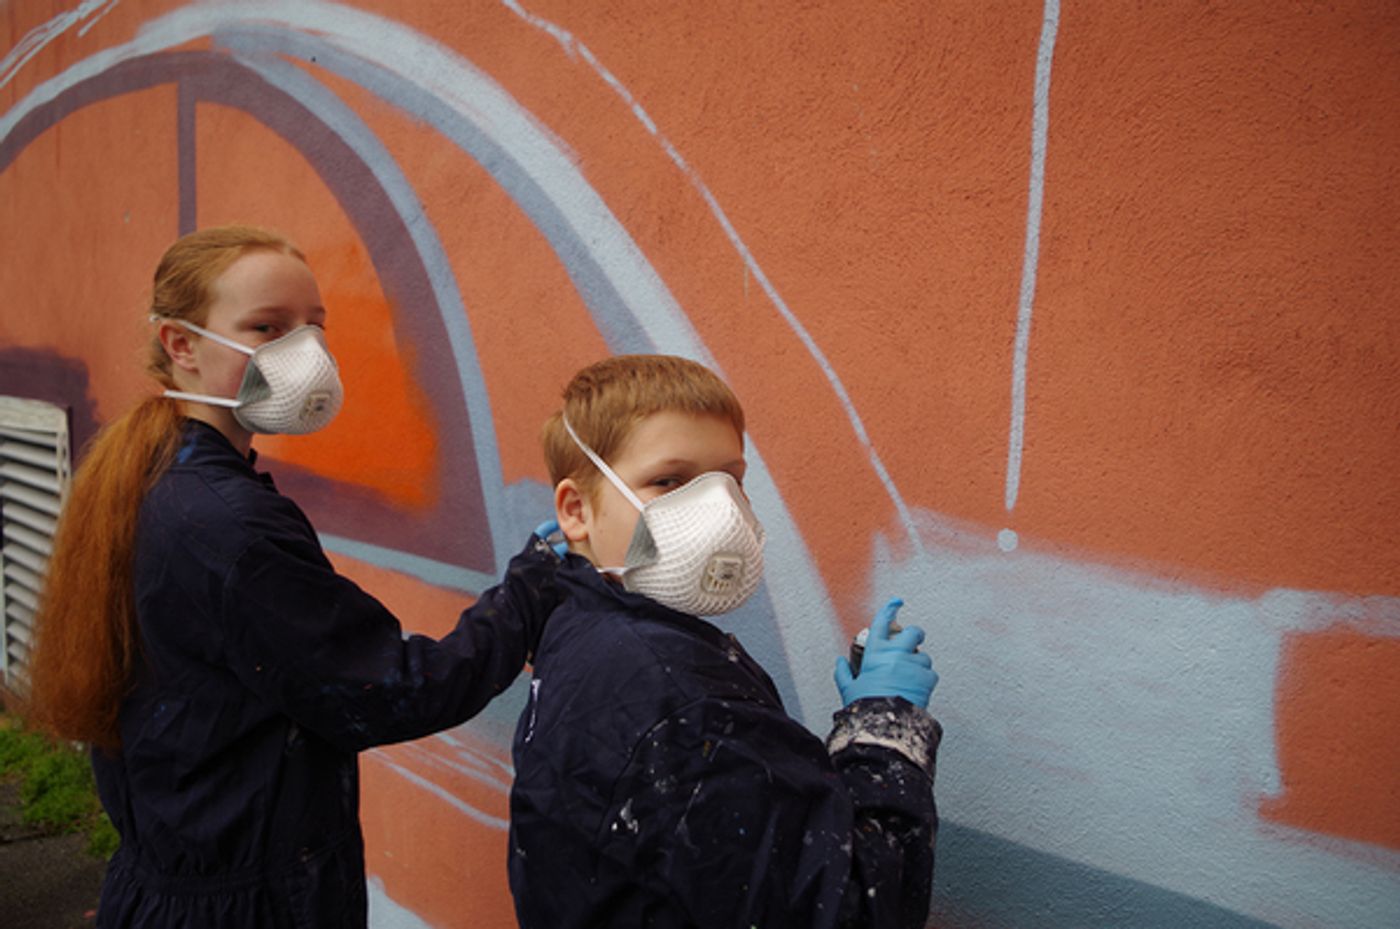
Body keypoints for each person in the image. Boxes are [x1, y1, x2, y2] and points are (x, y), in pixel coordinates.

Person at [22, 225, 563, 929]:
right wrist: (531, 587)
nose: (305, 354)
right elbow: (388, 691)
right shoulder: (228, 526)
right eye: (268, 327)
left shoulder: (158, 474)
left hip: (180, 874)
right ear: (180, 345)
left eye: (314, 326)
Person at [508, 354, 941, 929]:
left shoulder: (577, 629)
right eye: (669, 481)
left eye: (731, 481)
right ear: (577, 510)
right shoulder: (685, 698)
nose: (719, 511)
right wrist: (884, 735)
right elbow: (846, 912)